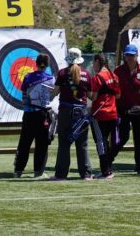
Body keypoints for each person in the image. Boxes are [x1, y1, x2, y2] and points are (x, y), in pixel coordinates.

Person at [112, 43, 140, 176]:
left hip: (139, 109)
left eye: (132, 55)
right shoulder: (118, 71)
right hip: (122, 109)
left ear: (137, 56)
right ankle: (108, 160)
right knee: (123, 137)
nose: (129, 58)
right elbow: (114, 90)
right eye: (127, 55)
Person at [51, 47, 94, 180]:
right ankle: (86, 174)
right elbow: (91, 96)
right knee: (82, 143)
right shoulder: (87, 74)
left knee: (64, 143)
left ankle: (61, 174)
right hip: (81, 112)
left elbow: (55, 92)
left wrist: (49, 94)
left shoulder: (63, 73)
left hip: (65, 112)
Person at [13, 53, 54, 179]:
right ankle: (38, 172)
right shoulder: (51, 78)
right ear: (47, 64)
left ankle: (18, 171)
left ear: (36, 63)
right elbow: (52, 97)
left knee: (24, 142)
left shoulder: (28, 77)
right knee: (42, 143)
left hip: (29, 114)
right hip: (43, 114)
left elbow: (24, 97)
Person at [89, 54, 120, 180]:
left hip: (99, 114)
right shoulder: (114, 76)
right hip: (112, 113)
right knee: (108, 143)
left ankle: (106, 172)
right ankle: (108, 168)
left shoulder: (97, 77)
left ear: (97, 61)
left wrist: (85, 92)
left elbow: (93, 97)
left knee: (101, 143)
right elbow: (118, 96)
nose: (93, 65)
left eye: (93, 63)